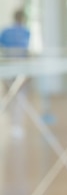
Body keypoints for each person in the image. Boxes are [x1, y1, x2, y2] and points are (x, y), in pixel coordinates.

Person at [1, 8, 31, 136]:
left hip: (9, 68)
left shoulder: (5, 32)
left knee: (9, 94)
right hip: (19, 68)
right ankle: (15, 125)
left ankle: (11, 121)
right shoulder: (25, 32)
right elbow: (26, 51)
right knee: (19, 96)